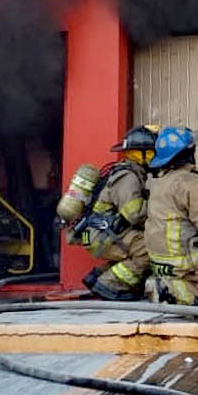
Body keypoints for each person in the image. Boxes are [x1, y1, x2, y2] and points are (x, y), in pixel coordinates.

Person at [144, 126, 198, 305]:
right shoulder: (190, 183)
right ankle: (169, 289)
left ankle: (166, 283)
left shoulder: (159, 182)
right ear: (187, 153)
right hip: (183, 262)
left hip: (160, 261)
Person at [79, 125, 157, 301]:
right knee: (148, 249)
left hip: (105, 232)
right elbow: (134, 214)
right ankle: (109, 284)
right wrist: (159, 206)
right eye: (152, 153)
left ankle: (97, 277)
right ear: (140, 154)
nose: (155, 158)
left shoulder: (133, 174)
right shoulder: (128, 177)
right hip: (102, 235)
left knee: (134, 247)